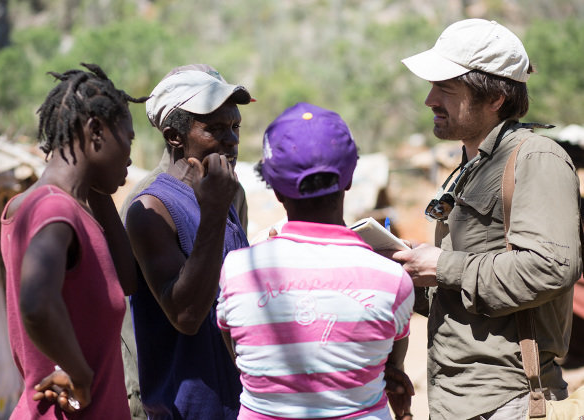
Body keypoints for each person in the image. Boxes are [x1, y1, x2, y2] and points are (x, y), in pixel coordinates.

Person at [395, 19, 582, 419]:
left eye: (445, 88)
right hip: (458, 401)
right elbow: (466, 289)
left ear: (495, 97)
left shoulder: (536, 158)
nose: (429, 100)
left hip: (508, 402)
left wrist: (443, 265)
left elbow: (552, 267)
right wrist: (404, 268)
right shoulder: (470, 166)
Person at [216, 102, 415, 420]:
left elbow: (241, 360)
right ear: (349, 179)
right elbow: (391, 370)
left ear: (275, 190)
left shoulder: (237, 271)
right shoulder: (393, 281)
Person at [0, 63, 146, 419]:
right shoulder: (53, 209)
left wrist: (96, 187)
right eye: (127, 138)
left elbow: (127, 281)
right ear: (96, 130)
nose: (129, 154)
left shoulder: (65, 208)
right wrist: (79, 373)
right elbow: (36, 303)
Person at [117, 64, 249, 420]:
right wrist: (216, 210)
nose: (233, 140)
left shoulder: (225, 190)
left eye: (235, 127)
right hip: (182, 407)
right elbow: (186, 314)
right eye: (216, 129)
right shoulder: (150, 206)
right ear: (175, 136)